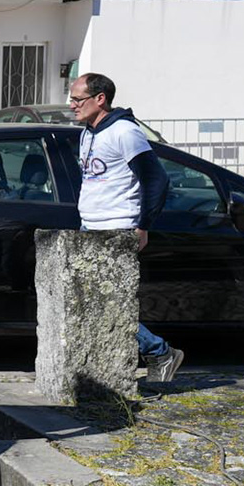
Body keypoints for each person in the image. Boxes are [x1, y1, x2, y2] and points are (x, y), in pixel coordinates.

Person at [70, 72, 181, 382]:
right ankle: (103, 367)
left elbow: (156, 180)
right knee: (89, 303)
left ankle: (159, 352)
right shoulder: (88, 133)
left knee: (110, 304)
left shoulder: (125, 132)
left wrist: (143, 226)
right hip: (89, 227)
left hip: (117, 229)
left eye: (77, 99)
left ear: (100, 99)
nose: (72, 105)